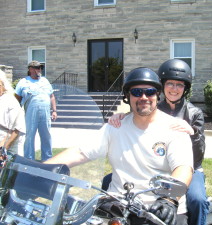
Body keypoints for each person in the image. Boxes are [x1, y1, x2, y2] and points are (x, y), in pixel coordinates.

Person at [45, 67, 194, 225]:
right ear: (127, 96)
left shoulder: (175, 128)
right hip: (117, 206)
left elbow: (183, 168)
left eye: (149, 92)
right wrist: (41, 168)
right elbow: (80, 153)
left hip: (160, 210)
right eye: (136, 92)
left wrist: (169, 199)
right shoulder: (115, 126)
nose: (143, 97)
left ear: (157, 95)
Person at [108, 59, 208, 225]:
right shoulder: (152, 104)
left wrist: (192, 133)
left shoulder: (194, 113)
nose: (174, 89)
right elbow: (135, 116)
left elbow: (198, 156)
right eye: (170, 83)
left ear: (185, 88)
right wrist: (121, 116)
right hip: (157, 166)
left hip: (189, 167)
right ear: (162, 86)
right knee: (108, 181)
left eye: (179, 85)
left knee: (197, 199)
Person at [15, 61, 57, 161]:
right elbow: (17, 98)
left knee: (46, 135)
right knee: (29, 136)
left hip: (45, 113)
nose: (39, 70)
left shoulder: (45, 81)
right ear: (30, 69)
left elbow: (51, 96)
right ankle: (29, 160)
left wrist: (54, 111)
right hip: (31, 113)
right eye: (37, 68)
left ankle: (47, 159)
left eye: (40, 68)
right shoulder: (23, 82)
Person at [0, 71, 25, 156]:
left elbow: (17, 130)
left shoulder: (11, 101)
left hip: (8, 149)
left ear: (3, 85)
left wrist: (4, 150)